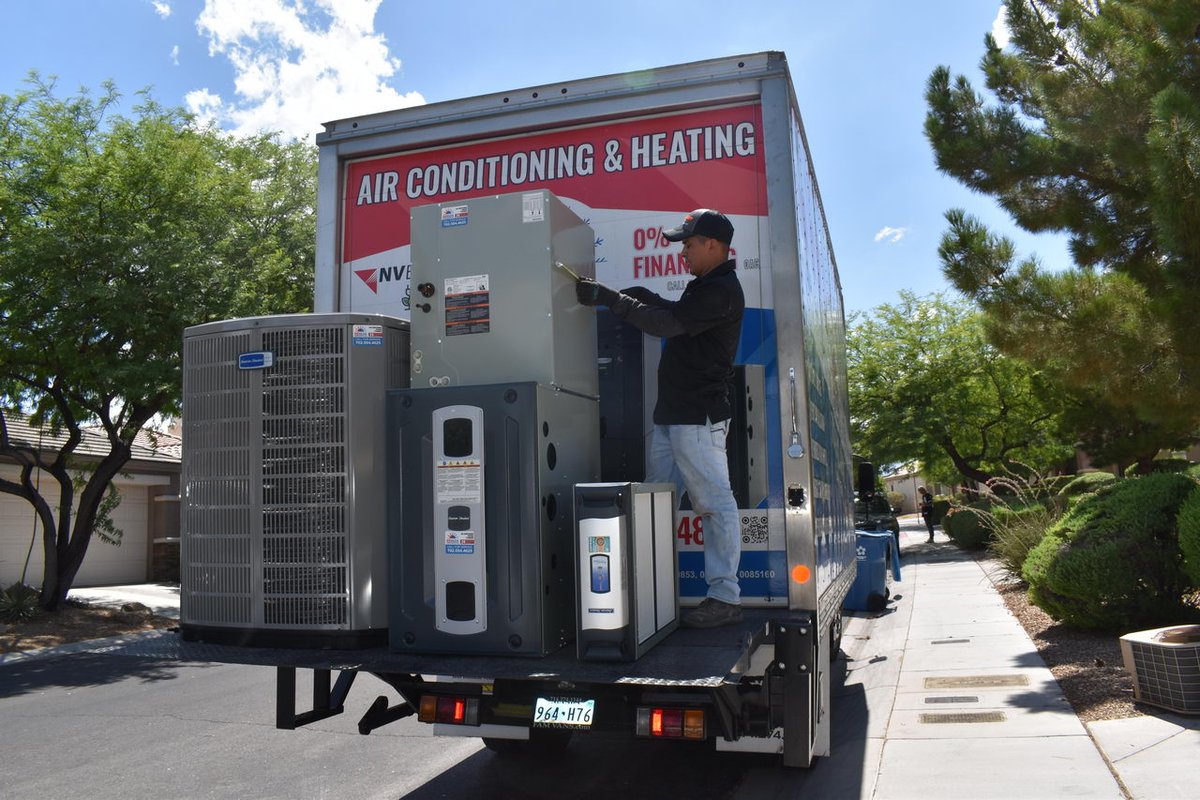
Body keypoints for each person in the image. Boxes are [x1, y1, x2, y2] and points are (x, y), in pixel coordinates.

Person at [575, 209, 745, 629]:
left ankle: (725, 596)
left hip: (697, 418)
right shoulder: (703, 288)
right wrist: (635, 296)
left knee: (714, 503)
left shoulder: (721, 291)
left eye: (688, 244)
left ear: (713, 245)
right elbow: (670, 313)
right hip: (672, 416)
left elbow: (667, 325)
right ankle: (651, 590)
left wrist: (615, 299)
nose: (683, 253)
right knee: (656, 502)